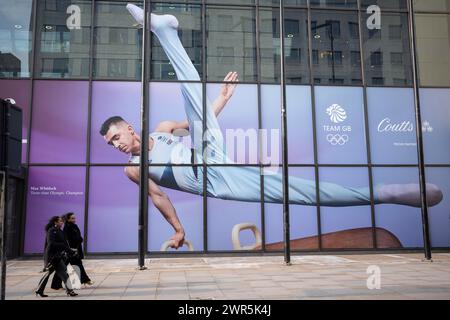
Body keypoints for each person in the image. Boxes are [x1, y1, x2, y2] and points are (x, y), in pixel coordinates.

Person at [99, 4, 444, 250]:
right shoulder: (134, 169)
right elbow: (159, 199)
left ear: (129, 128)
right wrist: (178, 230)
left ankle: (164, 30)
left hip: (210, 154)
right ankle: (385, 194)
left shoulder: (162, 128)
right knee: (296, 190)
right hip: (217, 181)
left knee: (194, 99)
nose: (116, 145)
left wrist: (223, 98)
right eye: (111, 144)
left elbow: (200, 120)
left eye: (116, 137)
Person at [35, 216, 78, 297]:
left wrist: (71, 251)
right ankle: (39, 291)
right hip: (51, 257)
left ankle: (70, 291)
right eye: (60, 221)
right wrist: (64, 247)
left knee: (64, 273)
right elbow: (51, 244)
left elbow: (65, 245)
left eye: (62, 221)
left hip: (58, 257)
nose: (62, 222)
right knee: (47, 274)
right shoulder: (51, 231)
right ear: (55, 222)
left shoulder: (60, 231)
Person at [50, 213, 94, 290]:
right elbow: (69, 240)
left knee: (78, 265)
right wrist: (71, 248)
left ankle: (85, 280)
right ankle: (56, 285)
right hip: (70, 251)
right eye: (72, 218)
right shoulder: (67, 228)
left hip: (75, 250)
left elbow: (79, 237)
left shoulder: (74, 226)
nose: (74, 220)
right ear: (68, 219)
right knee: (62, 268)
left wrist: (79, 240)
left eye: (74, 218)